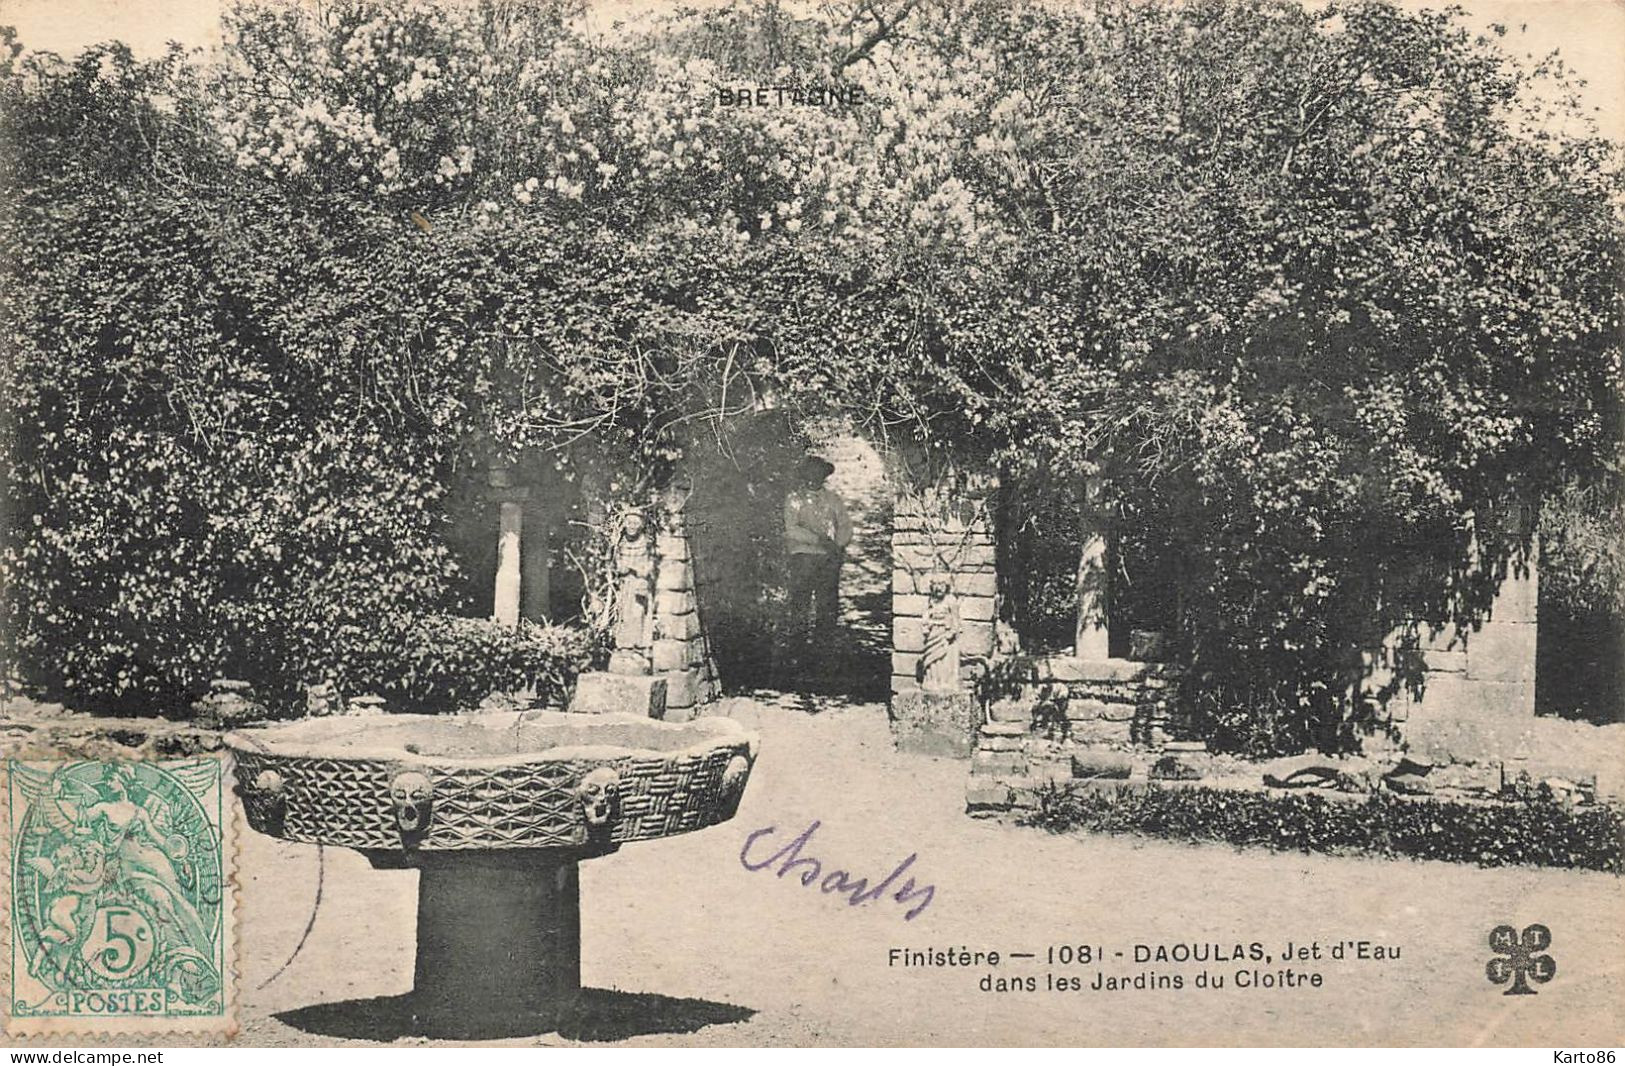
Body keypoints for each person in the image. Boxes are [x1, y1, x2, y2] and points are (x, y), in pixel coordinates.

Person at [782, 455, 852, 664]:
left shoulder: (833, 500)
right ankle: (798, 650)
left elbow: (846, 526)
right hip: (802, 556)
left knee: (828, 603)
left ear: (824, 476)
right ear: (803, 476)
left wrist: (838, 545)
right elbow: (792, 529)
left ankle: (823, 650)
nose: (813, 478)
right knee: (800, 601)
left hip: (828, 558)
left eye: (818, 474)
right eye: (809, 473)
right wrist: (818, 540)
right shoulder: (794, 499)